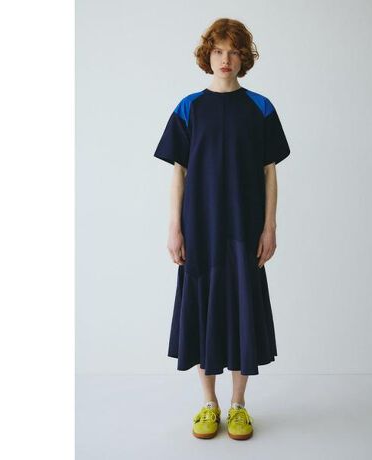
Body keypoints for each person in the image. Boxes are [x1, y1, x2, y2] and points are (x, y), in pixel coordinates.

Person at [153, 18, 290, 440]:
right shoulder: (189, 107)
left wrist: (269, 227)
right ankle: (209, 404)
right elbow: (179, 171)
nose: (225, 59)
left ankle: (238, 405)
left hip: (244, 229)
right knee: (203, 308)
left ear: (244, 57)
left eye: (233, 52)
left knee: (241, 308)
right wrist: (174, 227)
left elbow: (269, 172)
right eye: (217, 51)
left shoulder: (261, 108)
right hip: (201, 228)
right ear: (207, 56)